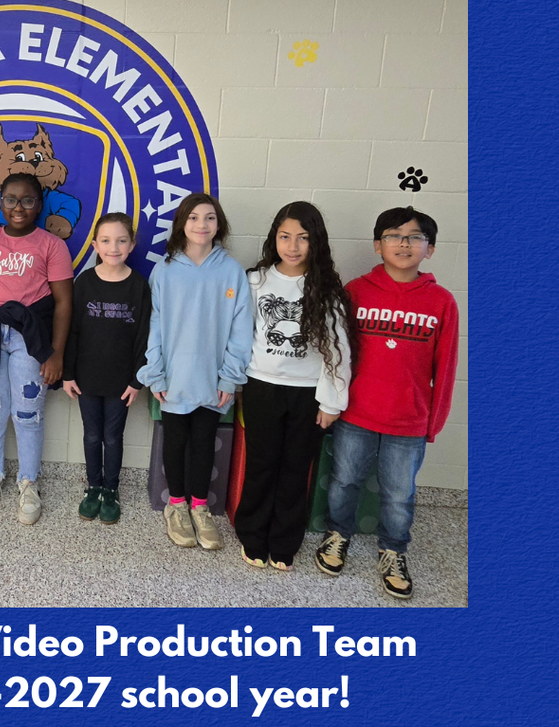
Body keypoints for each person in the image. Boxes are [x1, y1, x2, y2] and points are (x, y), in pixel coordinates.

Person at [315, 206, 459, 599]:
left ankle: (393, 550)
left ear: (430, 249)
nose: (404, 243)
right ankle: (337, 534)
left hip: (409, 420)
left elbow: (446, 368)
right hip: (356, 413)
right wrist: (332, 402)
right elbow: (336, 354)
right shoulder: (356, 291)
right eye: (394, 235)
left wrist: (434, 422)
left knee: (399, 493)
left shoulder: (442, 302)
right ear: (378, 245)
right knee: (344, 481)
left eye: (415, 237)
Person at [235, 201, 351, 571]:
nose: (293, 246)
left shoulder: (327, 289)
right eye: (285, 237)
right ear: (274, 238)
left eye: (303, 238)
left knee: (295, 468)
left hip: (308, 394)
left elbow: (338, 349)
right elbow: (239, 335)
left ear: (316, 242)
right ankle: (252, 533)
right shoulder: (256, 281)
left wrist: (332, 402)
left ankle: (285, 541)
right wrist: (234, 381)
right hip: (262, 386)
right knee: (261, 464)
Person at [0, 172, 74, 525]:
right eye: (10, 199)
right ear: (0, 202)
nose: (18, 207)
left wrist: (55, 353)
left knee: (28, 411)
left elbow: (64, 303)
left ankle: (29, 481)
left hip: (31, 338)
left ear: (39, 205)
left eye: (27, 200)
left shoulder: (52, 245)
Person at [138, 193, 252, 551]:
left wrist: (230, 376)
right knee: (175, 442)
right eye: (194, 218)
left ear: (219, 225)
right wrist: (155, 373)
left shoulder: (231, 271)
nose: (202, 225)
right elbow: (154, 326)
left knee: (204, 442)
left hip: (213, 380)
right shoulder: (165, 270)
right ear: (181, 224)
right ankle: (176, 506)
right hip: (174, 378)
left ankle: (200, 508)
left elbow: (241, 329)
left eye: (210, 217)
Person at [62, 213, 150, 525]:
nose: (114, 247)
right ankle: (93, 487)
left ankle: (111, 490)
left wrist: (136, 380)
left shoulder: (139, 286)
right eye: (107, 240)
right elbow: (72, 331)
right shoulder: (84, 282)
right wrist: (68, 374)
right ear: (95, 245)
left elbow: (143, 337)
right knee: (91, 435)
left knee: (112, 437)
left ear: (132, 245)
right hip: (86, 378)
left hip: (121, 381)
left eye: (121, 240)